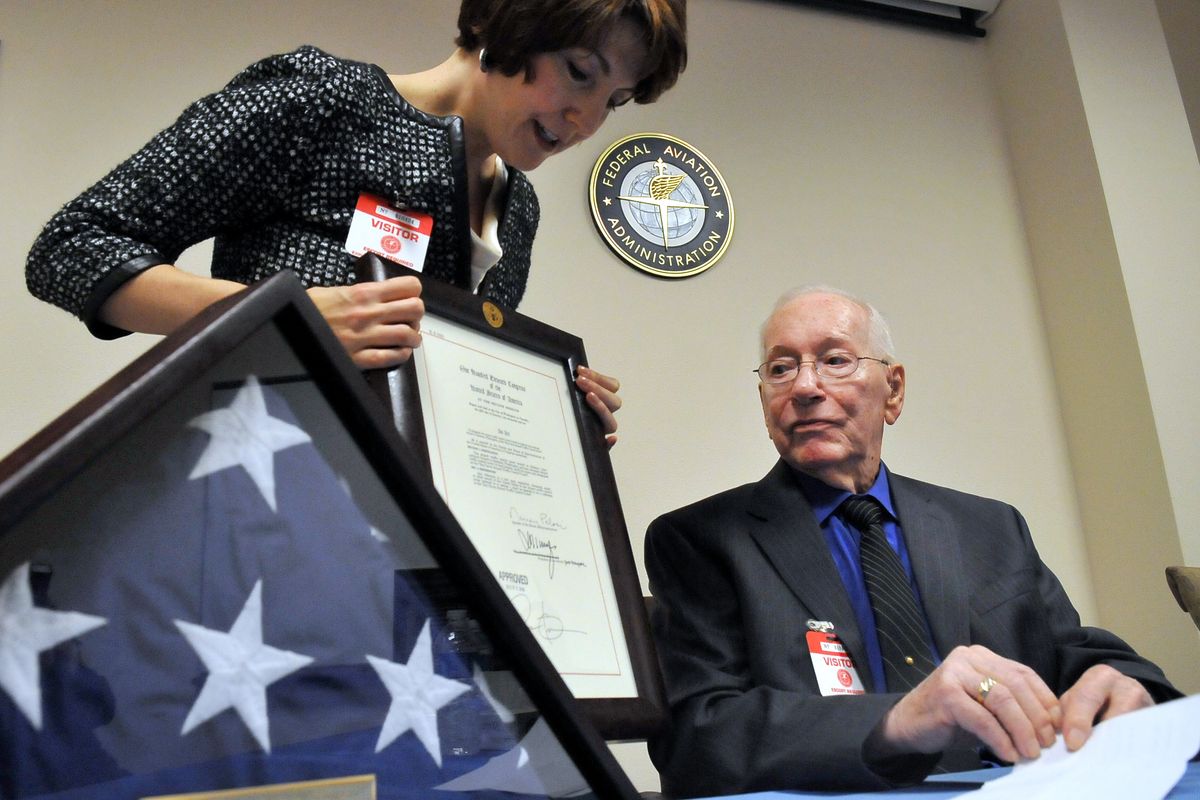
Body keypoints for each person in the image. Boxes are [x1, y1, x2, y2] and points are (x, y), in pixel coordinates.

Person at [25, 0, 687, 447]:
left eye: (614, 100)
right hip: (249, 504)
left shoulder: (520, 213)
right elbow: (72, 247)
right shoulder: (323, 103)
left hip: (398, 555)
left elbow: (427, 390)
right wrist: (291, 316)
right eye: (579, 74)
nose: (587, 122)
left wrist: (546, 403)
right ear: (500, 21)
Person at [644, 286, 1180, 796]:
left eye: (835, 360)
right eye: (781, 369)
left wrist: (1130, 688)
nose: (804, 388)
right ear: (765, 402)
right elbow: (700, 735)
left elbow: (1072, 653)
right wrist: (895, 722)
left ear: (893, 391)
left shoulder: (989, 526)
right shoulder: (701, 540)